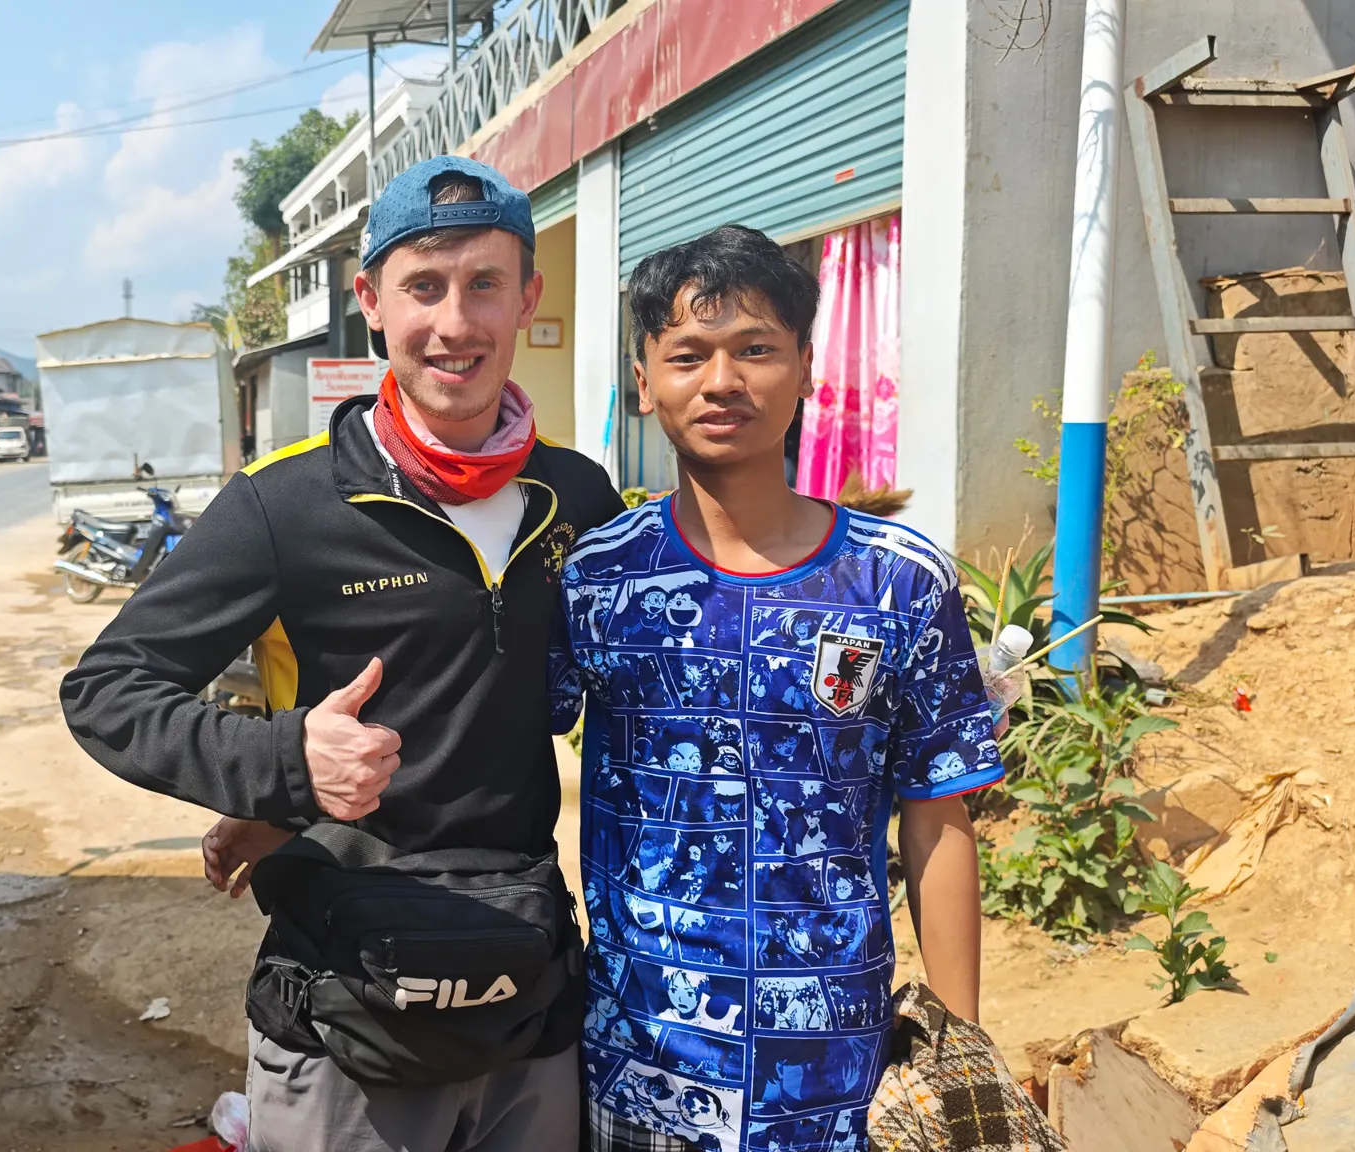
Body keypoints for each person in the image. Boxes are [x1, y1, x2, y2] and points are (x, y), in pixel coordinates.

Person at [60, 155, 624, 1152]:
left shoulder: (576, 499)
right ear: (370, 301)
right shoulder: (284, 504)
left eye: (484, 284)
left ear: (528, 295)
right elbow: (105, 690)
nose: (455, 324)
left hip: (525, 996)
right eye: (423, 286)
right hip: (347, 1003)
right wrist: (281, 768)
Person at [551, 225, 1003, 1152]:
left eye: (757, 349)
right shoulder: (597, 577)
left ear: (806, 371)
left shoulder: (900, 584)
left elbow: (938, 817)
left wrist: (961, 1058)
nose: (723, 382)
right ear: (645, 384)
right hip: (642, 1069)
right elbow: (496, 747)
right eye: (688, 356)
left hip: (836, 1072)